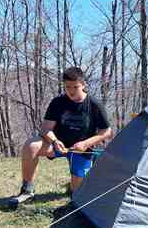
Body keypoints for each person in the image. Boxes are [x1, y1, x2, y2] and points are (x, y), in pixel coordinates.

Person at [10, 66, 113, 207]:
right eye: (67, 87)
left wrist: (85, 144)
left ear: (83, 85)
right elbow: (45, 129)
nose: (71, 91)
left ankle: (74, 184)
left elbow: (107, 132)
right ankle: (27, 190)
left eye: (75, 87)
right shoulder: (58, 102)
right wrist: (55, 141)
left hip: (81, 150)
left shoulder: (94, 105)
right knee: (31, 146)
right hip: (58, 146)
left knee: (76, 194)